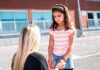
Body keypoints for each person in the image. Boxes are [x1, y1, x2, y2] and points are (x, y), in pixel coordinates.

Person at [48, 4, 76, 70]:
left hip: (66, 57)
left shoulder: (70, 29)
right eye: (54, 16)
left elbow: (71, 46)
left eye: (59, 16)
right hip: (55, 57)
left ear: (65, 15)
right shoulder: (52, 29)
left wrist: (64, 59)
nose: (57, 18)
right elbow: (51, 45)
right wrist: (49, 57)